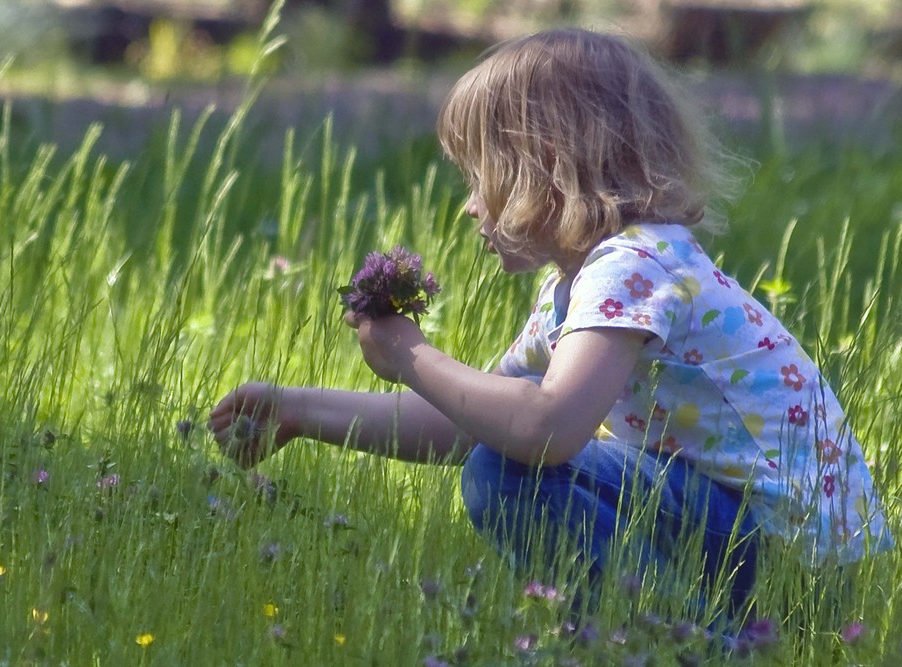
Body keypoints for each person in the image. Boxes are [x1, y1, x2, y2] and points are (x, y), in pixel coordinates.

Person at [209, 28, 893, 616]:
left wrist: (410, 355)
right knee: (495, 456)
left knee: (502, 473)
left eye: (480, 178)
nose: (470, 207)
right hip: (746, 540)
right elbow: (470, 420)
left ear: (545, 168)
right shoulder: (581, 284)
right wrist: (297, 410)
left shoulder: (634, 265)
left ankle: (672, 640)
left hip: (785, 563)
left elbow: (545, 428)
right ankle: (666, 631)